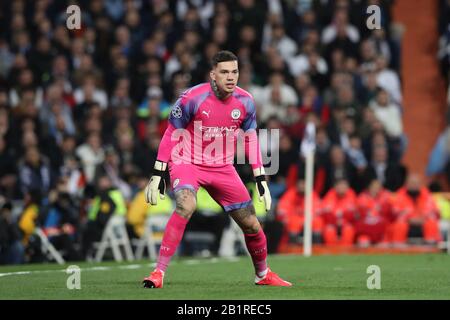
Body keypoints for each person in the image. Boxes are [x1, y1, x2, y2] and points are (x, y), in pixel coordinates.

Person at [142, 51, 291, 288]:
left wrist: (261, 178)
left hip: (222, 167)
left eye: (234, 72)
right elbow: (171, 133)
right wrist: (158, 173)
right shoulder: (192, 97)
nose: (230, 77)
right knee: (186, 205)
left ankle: (263, 274)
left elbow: (251, 139)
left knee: (251, 224)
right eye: (224, 72)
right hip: (187, 161)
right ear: (213, 74)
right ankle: (158, 273)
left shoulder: (245, 102)